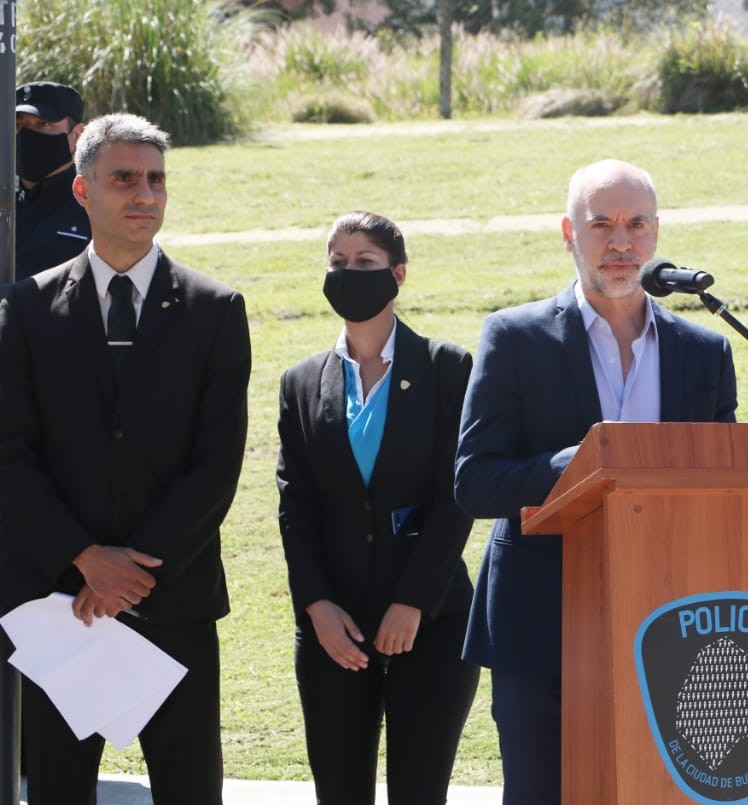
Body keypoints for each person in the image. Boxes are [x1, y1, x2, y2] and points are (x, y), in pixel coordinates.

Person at [454, 158, 738, 804]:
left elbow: (724, 485)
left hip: (673, 628)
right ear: (568, 233)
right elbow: (473, 480)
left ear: (657, 233)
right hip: (543, 628)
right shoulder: (515, 338)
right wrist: (583, 467)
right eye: (601, 224)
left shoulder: (704, 353)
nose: (620, 242)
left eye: (636, 224)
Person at [0, 113, 251, 804]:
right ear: (82, 189)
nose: (145, 195)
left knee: (190, 788)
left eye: (156, 180)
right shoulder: (26, 309)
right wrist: (85, 558)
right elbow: (10, 456)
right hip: (62, 605)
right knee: (56, 787)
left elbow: (216, 462)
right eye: (124, 179)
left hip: (174, 599)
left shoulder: (216, 309)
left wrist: (128, 572)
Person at [276, 211, 479, 805]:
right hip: (332, 624)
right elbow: (296, 506)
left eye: (364, 263)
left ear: (399, 274)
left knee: (420, 790)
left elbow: (455, 496)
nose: (347, 274)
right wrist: (316, 606)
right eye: (337, 263)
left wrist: (413, 601)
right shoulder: (300, 382)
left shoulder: (447, 368)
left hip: (431, 621)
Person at [14, 81, 91, 279]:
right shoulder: (6, 198)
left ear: (78, 135)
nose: (27, 135)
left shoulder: (95, 205)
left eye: (44, 124)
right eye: (18, 125)